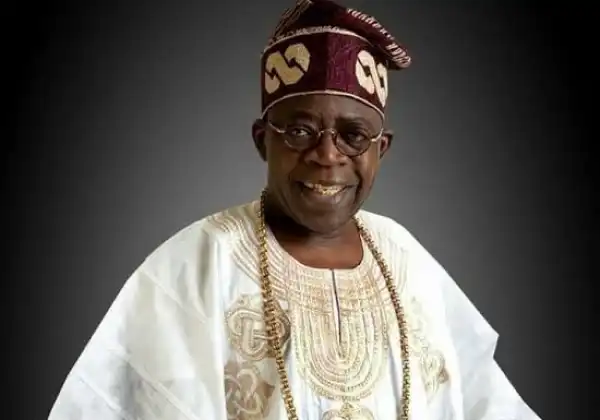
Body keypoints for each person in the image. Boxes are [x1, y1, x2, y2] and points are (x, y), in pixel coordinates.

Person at [47, 0, 542, 419]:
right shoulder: (196, 264)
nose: (327, 156)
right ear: (263, 140)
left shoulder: (407, 261)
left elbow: (486, 404)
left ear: (381, 149)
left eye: (353, 135)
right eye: (300, 131)